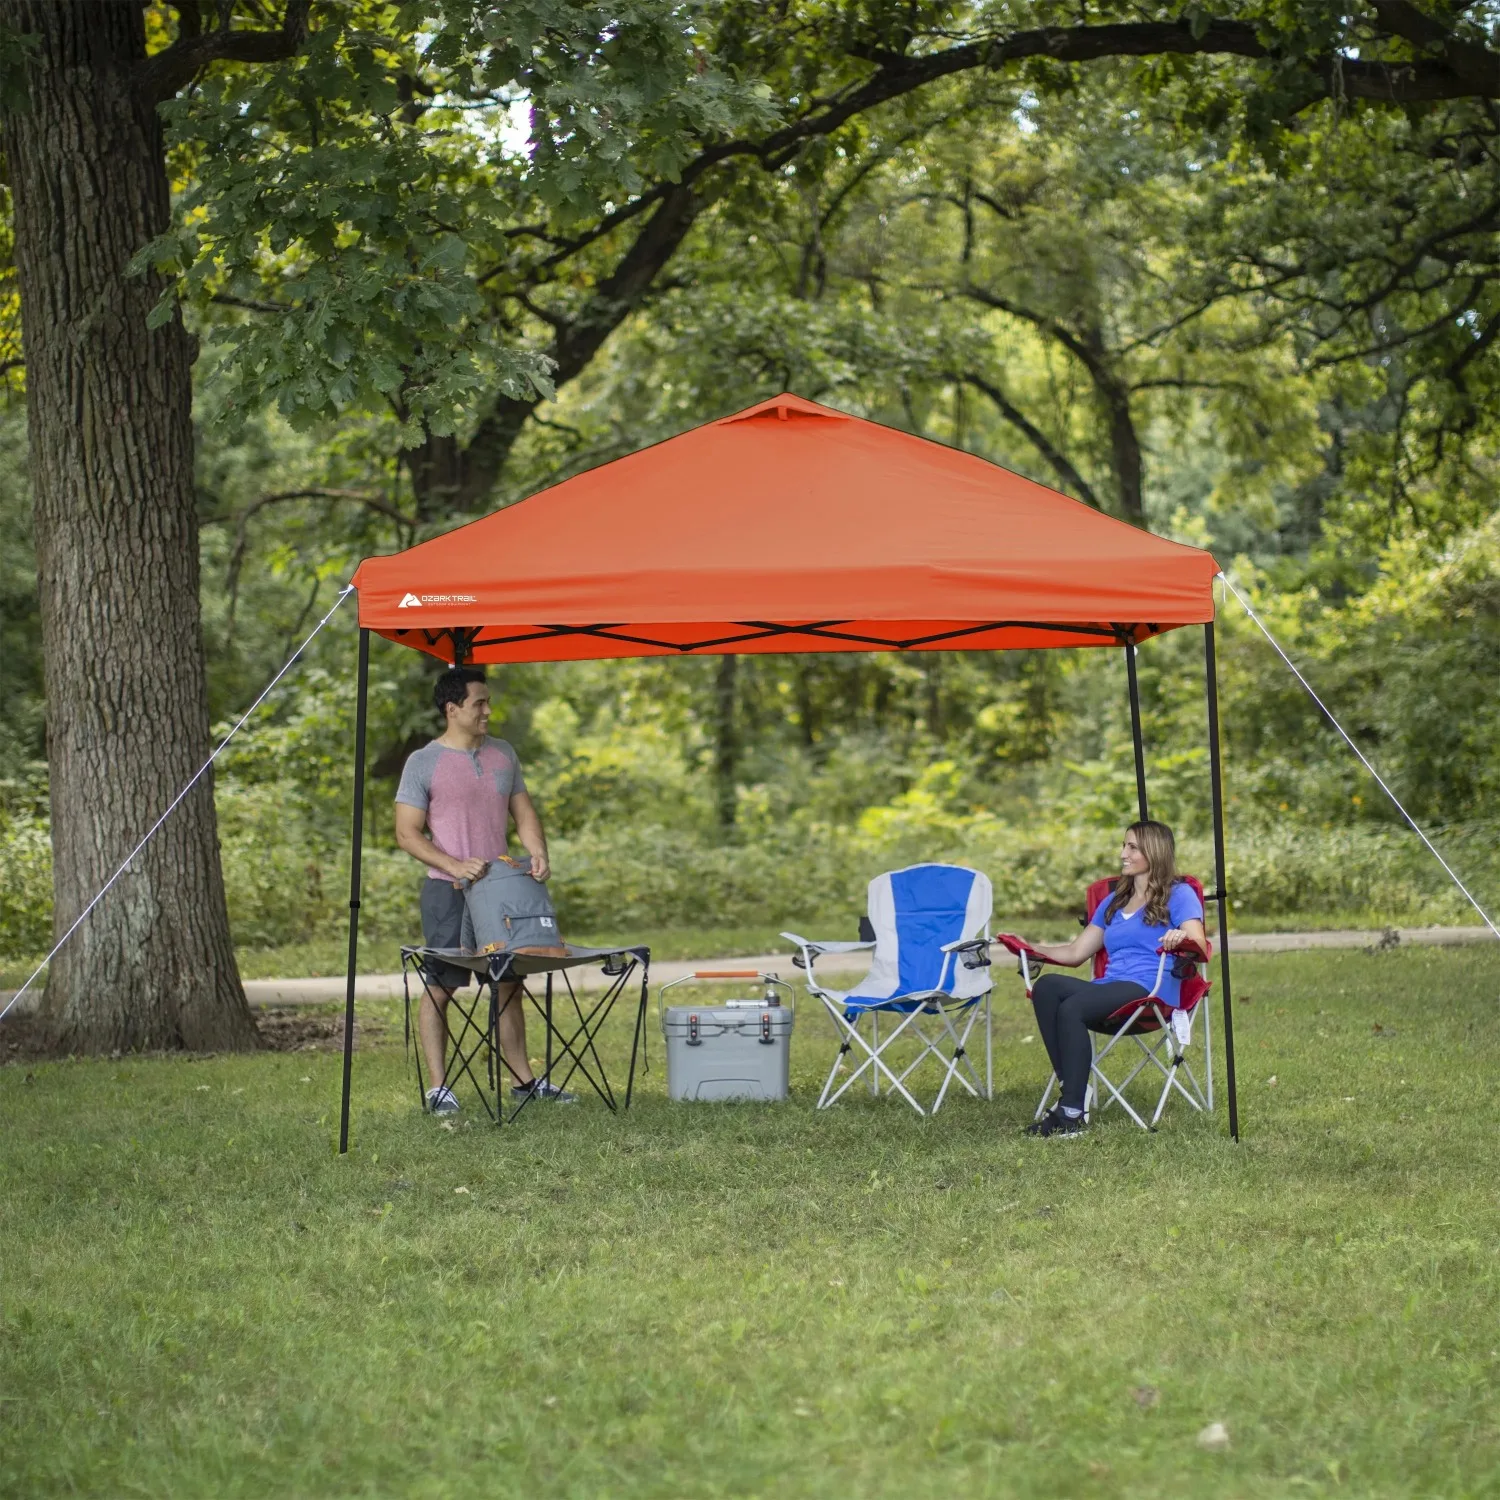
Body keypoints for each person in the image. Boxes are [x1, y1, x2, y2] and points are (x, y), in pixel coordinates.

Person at [394, 667, 576, 1114]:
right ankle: (439, 1089)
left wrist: (537, 852)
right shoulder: (423, 761)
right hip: (447, 892)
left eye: (488, 702)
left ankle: (523, 1082)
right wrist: (454, 864)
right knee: (441, 986)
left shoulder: (503, 754)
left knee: (509, 984)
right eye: (479, 703)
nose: (488, 711)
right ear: (451, 709)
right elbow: (406, 833)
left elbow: (524, 812)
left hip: (500, 892)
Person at [1012, 820, 1206, 1137]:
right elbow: (1076, 953)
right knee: (1047, 987)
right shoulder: (1115, 900)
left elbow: (1198, 944)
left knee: (1072, 1007)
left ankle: (1070, 1114)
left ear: (1153, 852)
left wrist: (1178, 936)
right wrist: (1029, 947)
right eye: (1123, 846)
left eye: (1131, 847)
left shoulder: (1179, 894)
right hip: (1110, 990)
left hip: (1150, 991)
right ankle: (1073, 1090)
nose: (1122, 854)